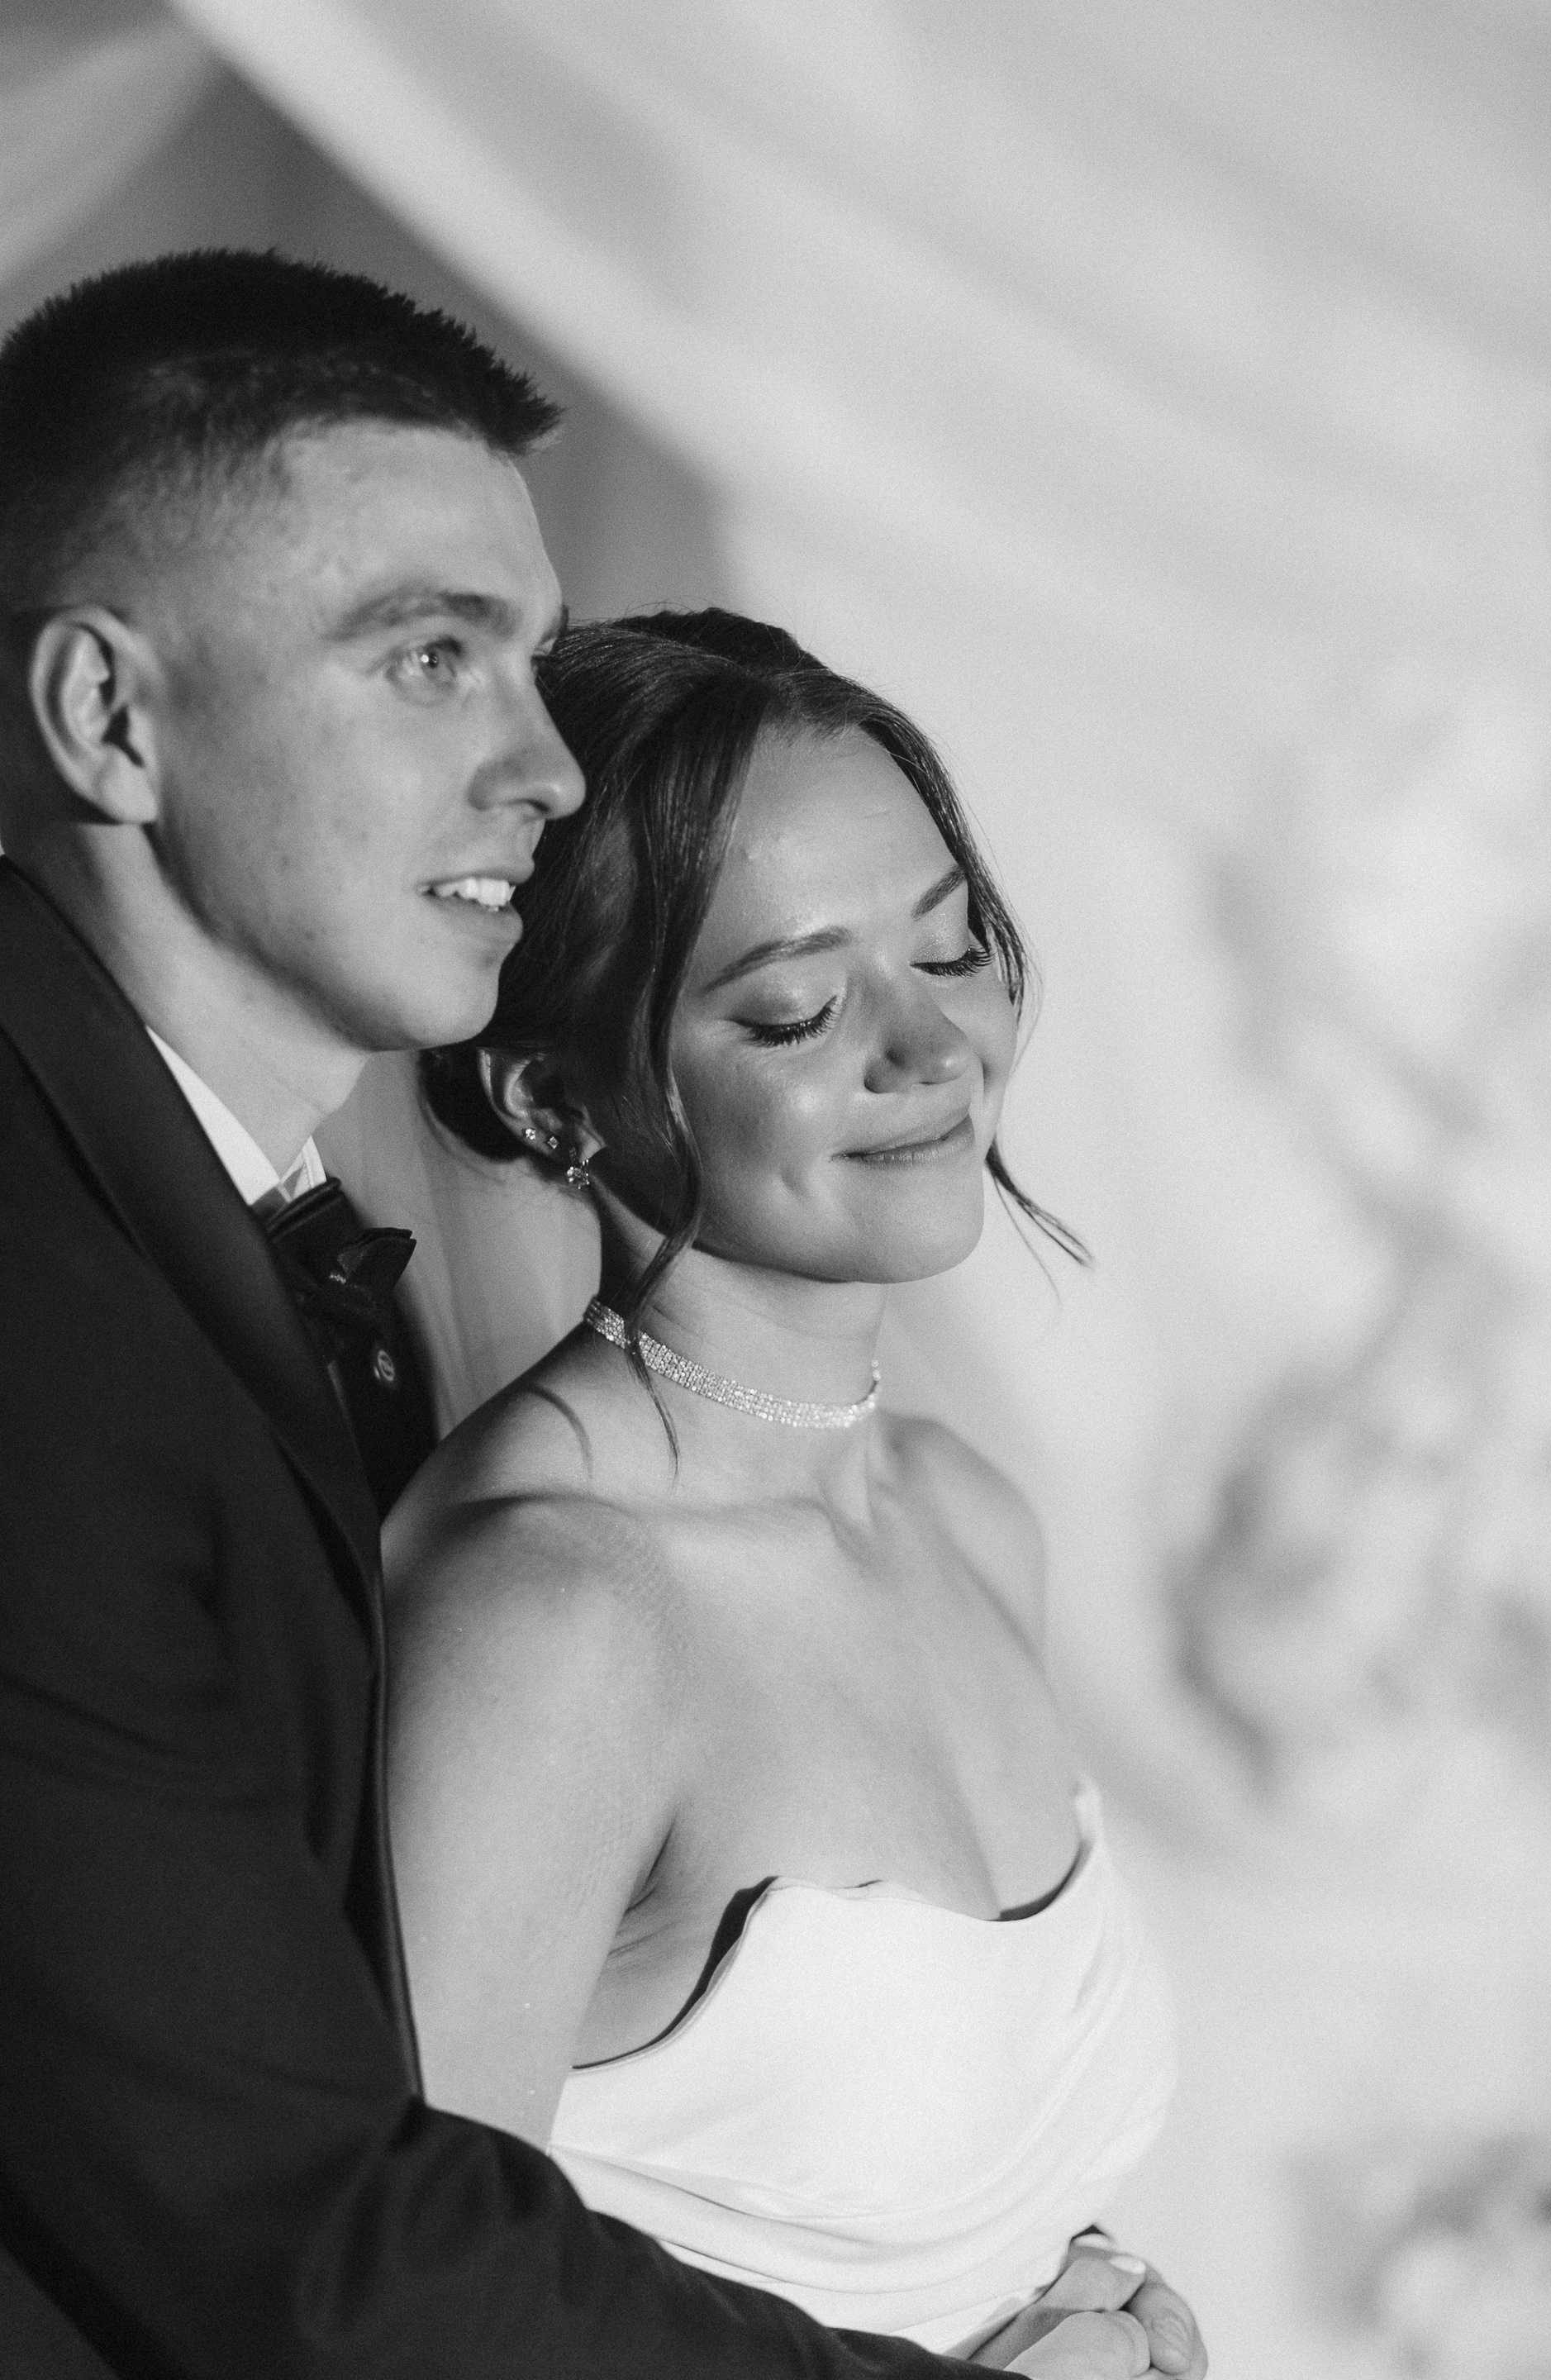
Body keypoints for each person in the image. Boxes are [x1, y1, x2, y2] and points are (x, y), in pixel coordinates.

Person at [0, 250, 1154, 2379]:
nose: (539, 768)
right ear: (108, 715)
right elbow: (318, 2252)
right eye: (430, 658)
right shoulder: (67, 1347)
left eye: (527, 662)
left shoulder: (240, 1251)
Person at [388, 610, 1199, 2364]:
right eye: (799, 1007)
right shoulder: (556, 1615)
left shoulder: (962, 1512)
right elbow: (404, 2324)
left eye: (952, 945)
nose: (932, 1047)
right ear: (558, 1102)